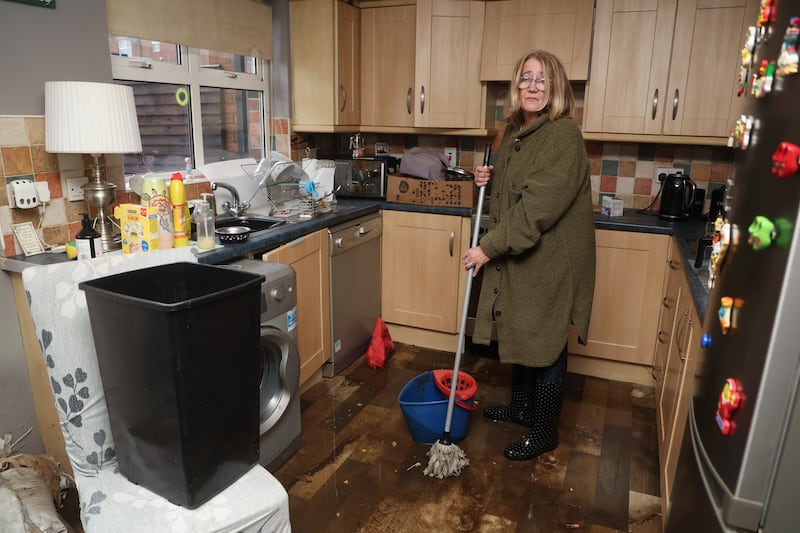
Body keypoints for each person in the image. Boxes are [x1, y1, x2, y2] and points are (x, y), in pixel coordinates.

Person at [464, 50, 596, 461]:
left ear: (556, 89)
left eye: (543, 80)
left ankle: (543, 431)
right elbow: (514, 189)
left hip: (552, 261)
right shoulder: (517, 131)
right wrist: (490, 176)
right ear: (516, 86)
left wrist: (487, 247)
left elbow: (535, 209)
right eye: (526, 78)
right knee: (522, 328)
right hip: (525, 257)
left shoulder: (564, 136)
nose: (533, 87)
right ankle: (522, 408)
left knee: (548, 340)